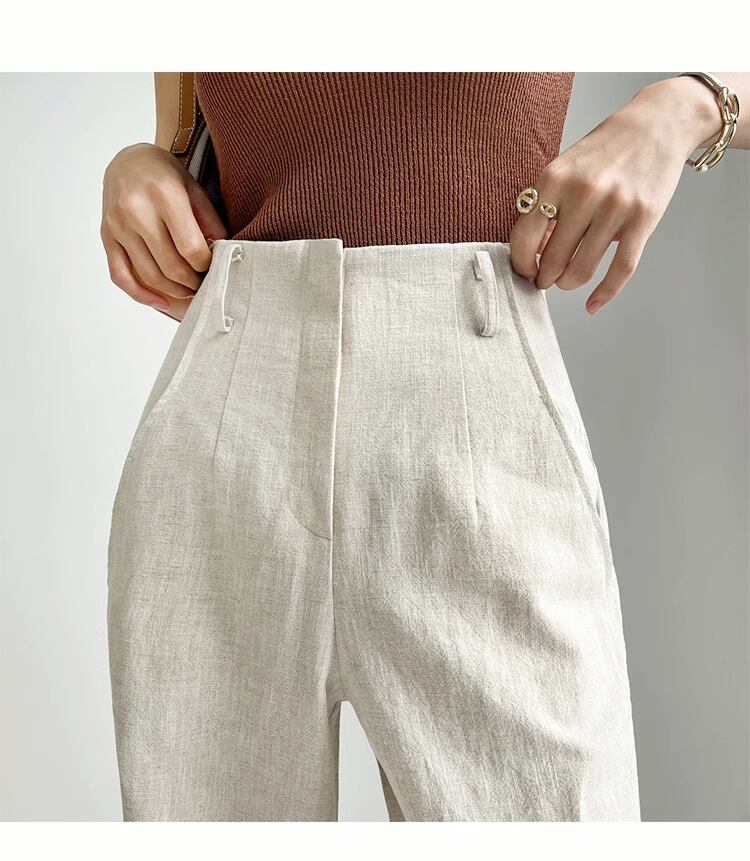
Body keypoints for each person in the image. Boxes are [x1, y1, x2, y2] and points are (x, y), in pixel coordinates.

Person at [101, 72, 748, 822]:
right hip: (230, 416)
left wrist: (685, 106)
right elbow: (190, 142)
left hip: (473, 407)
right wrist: (140, 165)